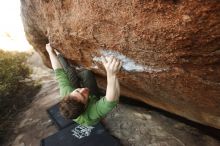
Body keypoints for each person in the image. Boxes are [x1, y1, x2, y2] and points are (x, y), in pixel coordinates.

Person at [46, 43, 122, 126]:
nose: (83, 89)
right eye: (83, 96)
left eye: (78, 91)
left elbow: (58, 71)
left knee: (71, 72)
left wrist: (50, 52)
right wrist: (111, 74)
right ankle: (79, 78)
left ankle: (60, 56)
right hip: (93, 102)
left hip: (75, 90)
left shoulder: (66, 92)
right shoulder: (90, 114)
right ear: (86, 106)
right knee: (87, 74)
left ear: (69, 94)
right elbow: (111, 100)